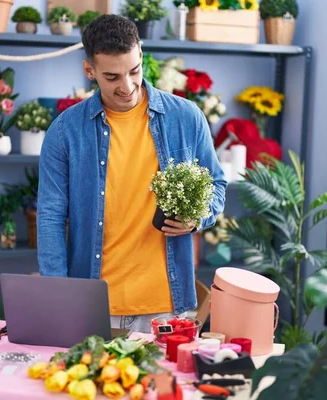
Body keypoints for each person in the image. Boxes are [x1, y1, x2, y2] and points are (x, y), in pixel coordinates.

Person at [37, 14, 226, 334]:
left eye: (134, 71)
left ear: (141, 56)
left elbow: (217, 184)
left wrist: (197, 218)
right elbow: (51, 216)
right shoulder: (65, 131)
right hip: (93, 304)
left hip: (167, 306)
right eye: (111, 77)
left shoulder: (186, 118)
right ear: (90, 71)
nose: (127, 86)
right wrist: (58, 297)